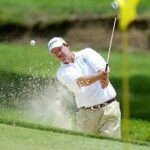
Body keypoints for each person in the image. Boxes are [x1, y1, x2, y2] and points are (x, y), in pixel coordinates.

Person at [47, 37, 121, 138]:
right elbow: (81, 82)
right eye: (54, 52)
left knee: (110, 145)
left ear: (67, 45)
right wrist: (100, 77)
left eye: (59, 49)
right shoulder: (62, 73)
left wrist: (105, 78)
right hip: (86, 115)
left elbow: (103, 69)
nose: (58, 54)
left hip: (109, 109)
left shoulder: (87, 53)